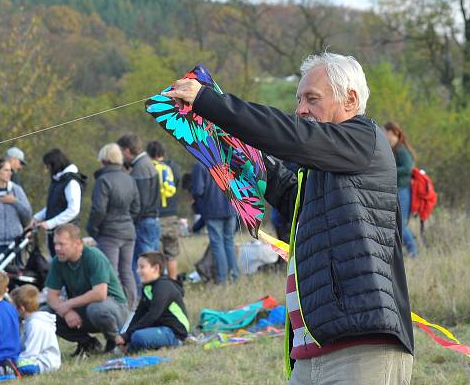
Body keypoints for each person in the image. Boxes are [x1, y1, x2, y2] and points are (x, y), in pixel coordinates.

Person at [163, 52, 414, 384]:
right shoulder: (322, 167)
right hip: (310, 352)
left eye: (312, 98)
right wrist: (235, 148)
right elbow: (289, 191)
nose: (301, 109)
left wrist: (209, 102)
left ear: (350, 100)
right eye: (299, 100)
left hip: (360, 348)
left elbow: (290, 135)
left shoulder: (365, 139)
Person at [44, 223, 128, 356]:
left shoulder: (93, 256)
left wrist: (68, 304)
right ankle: (87, 343)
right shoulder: (57, 262)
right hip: (84, 309)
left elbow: (100, 294)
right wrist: (67, 312)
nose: (57, 248)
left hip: (112, 307)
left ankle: (115, 341)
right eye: (55, 244)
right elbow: (51, 297)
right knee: (46, 314)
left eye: (62, 244)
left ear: (77, 243)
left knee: (97, 308)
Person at [87, 143, 141, 309]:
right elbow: (136, 207)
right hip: (128, 231)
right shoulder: (130, 179)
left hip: (109, 233)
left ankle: (118, 307)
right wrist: (126, 220)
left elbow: (98, 210)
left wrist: (93, 229)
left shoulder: (103, 180)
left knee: (112, 272)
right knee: (127, 271)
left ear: (104, 159)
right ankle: (132, 306)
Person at [116, 251, 189, 353]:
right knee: (121, 329)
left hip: (173, 332)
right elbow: (139, 313)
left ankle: (129, 350)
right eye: (138, 267)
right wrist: (126, 334)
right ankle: (131, 346)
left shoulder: (163, 287)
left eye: (142, 267)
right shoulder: (148, 286)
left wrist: (127, 336)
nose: (137, 271)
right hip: (157, 325)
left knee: (137, 336)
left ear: (156, 268)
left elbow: (152, 315)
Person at [117, 134, 161, 286]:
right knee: (153, 263)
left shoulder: (140, 168)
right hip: (151, 221)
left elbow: (139, 203)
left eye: (121, 152)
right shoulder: (147, 163)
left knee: (144, 265)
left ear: (127, 150)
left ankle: (143, 297)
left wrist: (129, 220)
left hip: (143, 223)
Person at [30, 148, 87, 257]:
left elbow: (73, 209)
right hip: (55, 232)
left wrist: (51, 223)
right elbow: (54, 205)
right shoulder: (57, 181)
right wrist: (38, 217)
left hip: (67, 233)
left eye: (48, 166)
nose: (47, 169)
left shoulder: (71, 182)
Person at [191, 162, 239, 284]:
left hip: (213, 211)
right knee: (229, 242)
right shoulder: (226, 161)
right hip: (232, 208)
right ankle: (234, 277)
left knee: (217, 245)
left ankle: (222, 279)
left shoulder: (200, 165)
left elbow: (197, 190)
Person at [147, 140, 182, 280]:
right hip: (171, 215)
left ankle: (159, 284)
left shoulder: (148, 168)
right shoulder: (173, 167)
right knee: (171, 254)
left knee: (156, 256)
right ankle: (173, 283)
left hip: (155, 215)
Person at [384, 121, 418, 258]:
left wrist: (391, 170)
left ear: (394, 133)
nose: (385, 135)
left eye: (386, 132)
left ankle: (413, 252)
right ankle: (407, 252)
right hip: (397, 190)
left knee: (400, 224)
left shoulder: (400, 149)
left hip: (403, 191)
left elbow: (408, 167)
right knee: (396, 223)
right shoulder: (392, 149)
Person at [10, 284, 61, 376]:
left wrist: (16, 360)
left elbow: (31, 352)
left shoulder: (35, 324)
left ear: (21, 309)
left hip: (45, 364)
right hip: (38, 360)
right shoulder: (29, 322)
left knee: (12, 363)